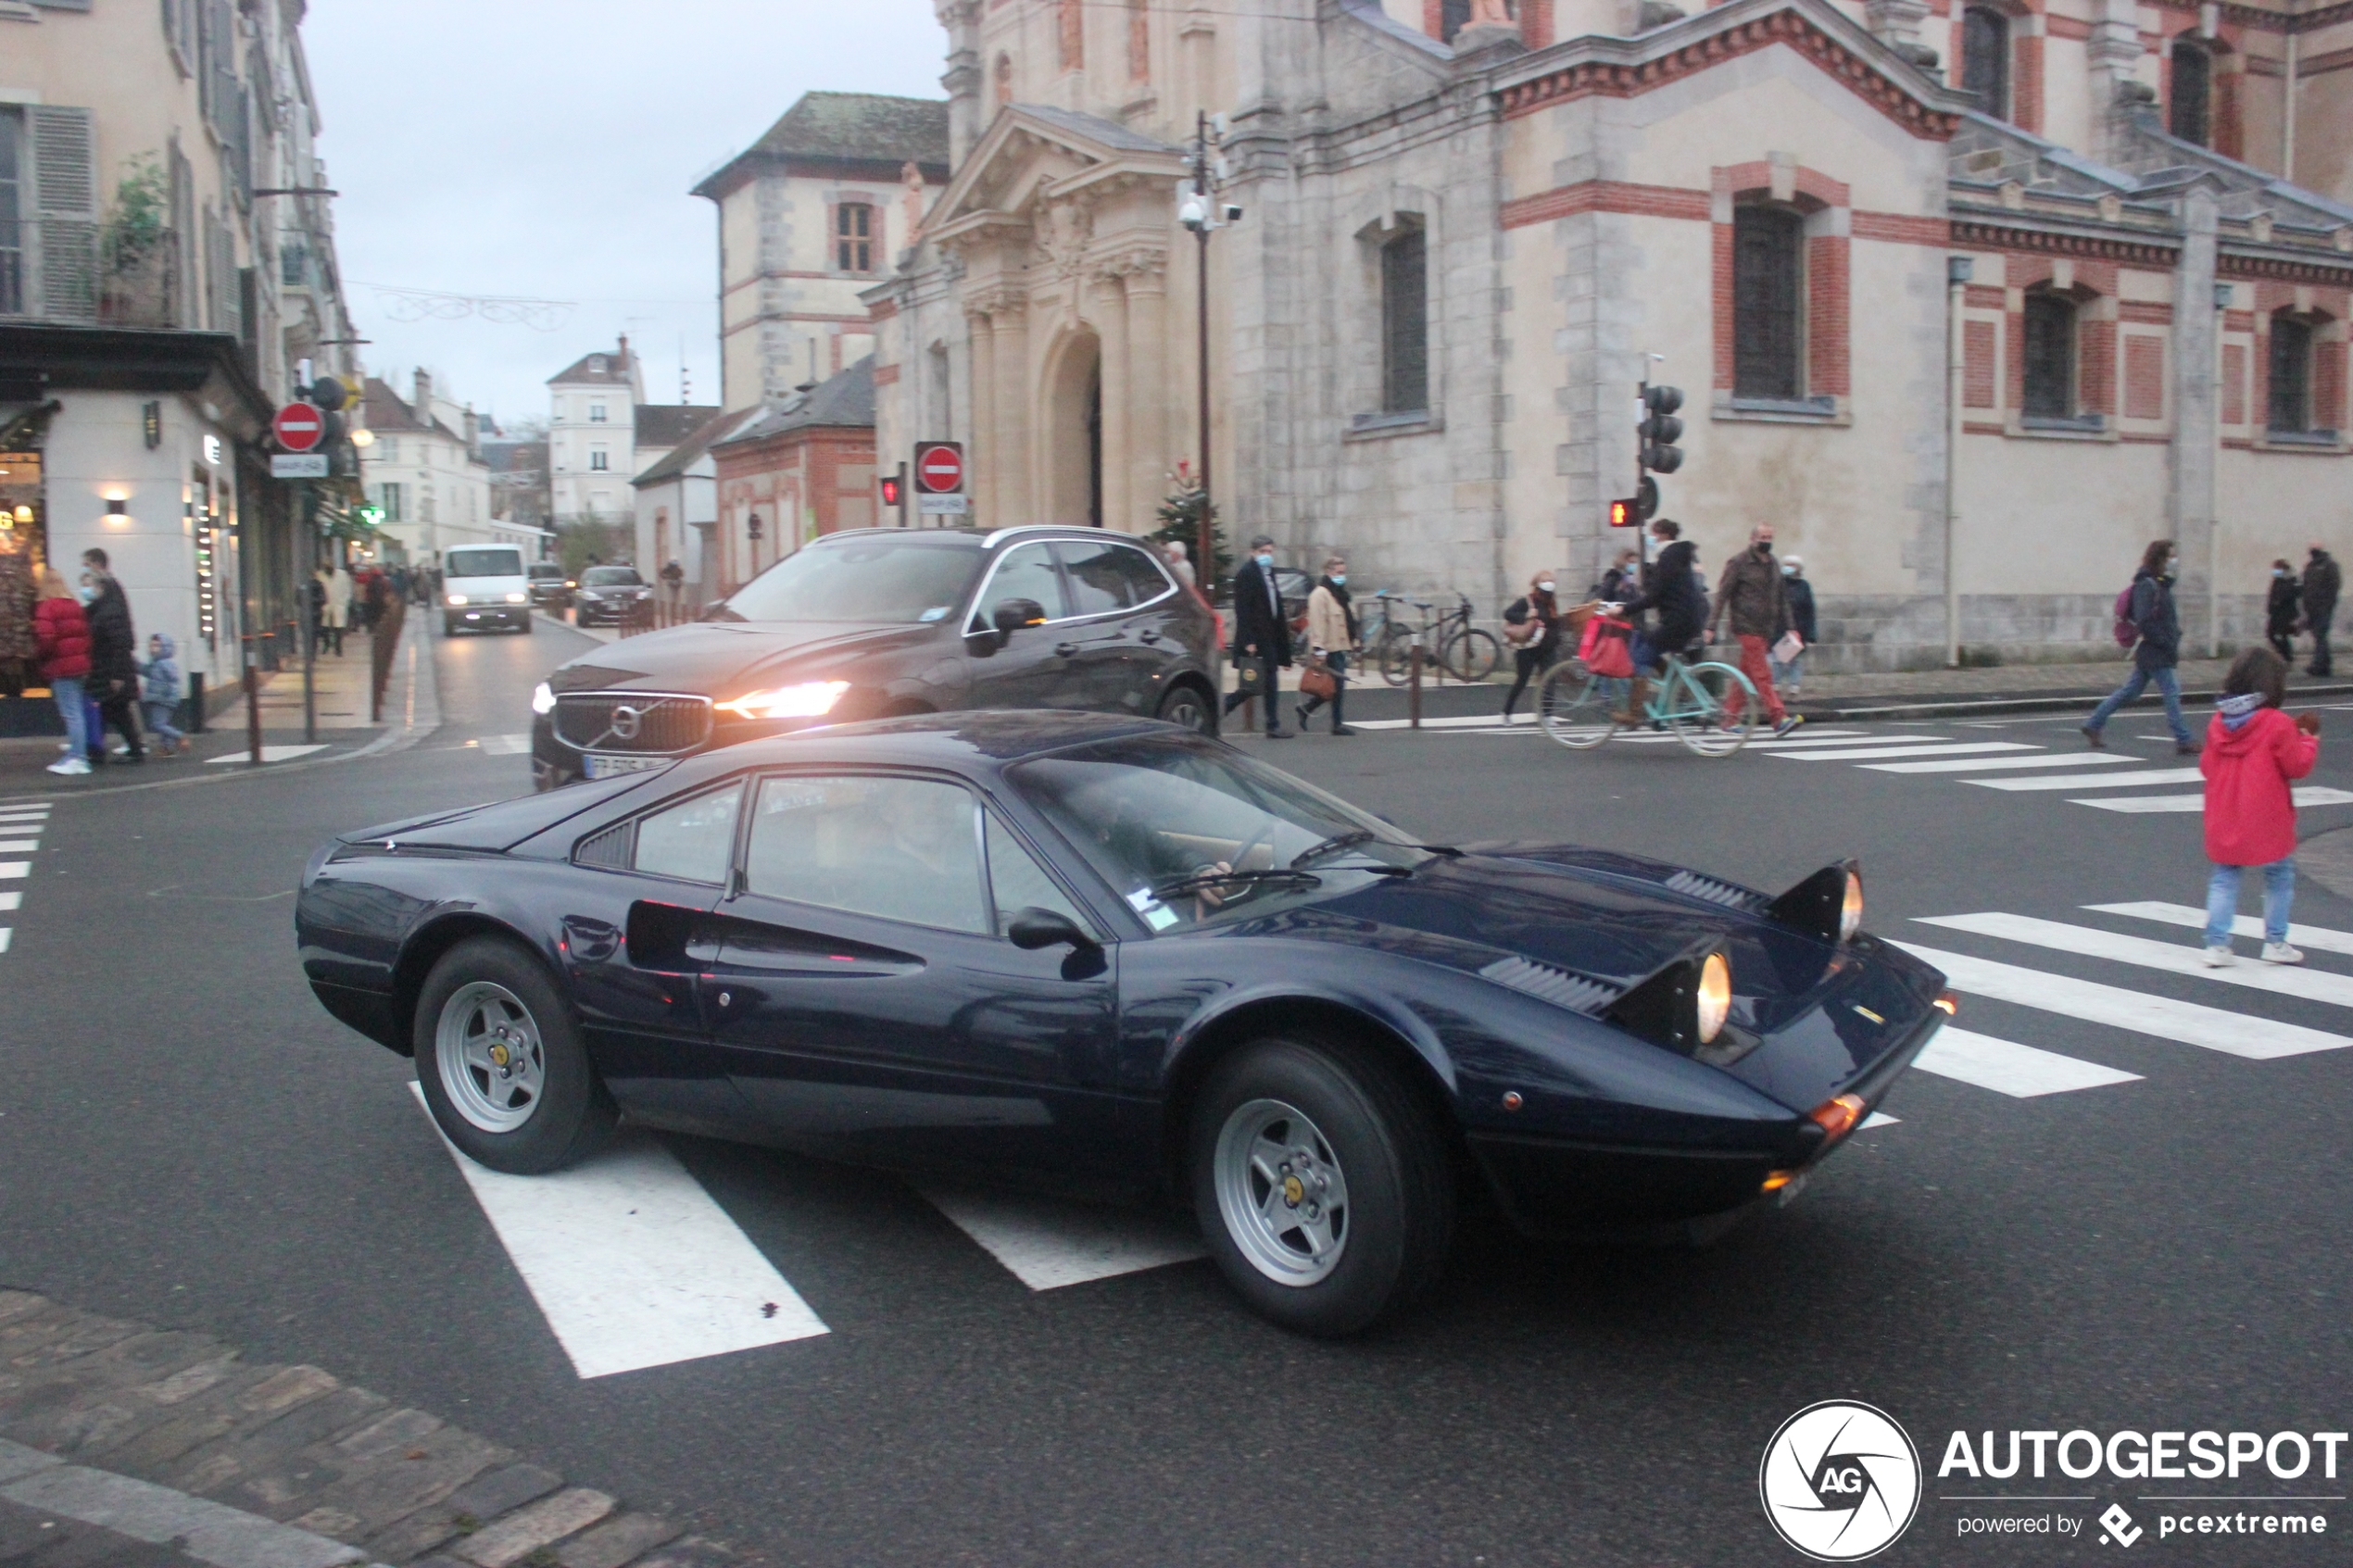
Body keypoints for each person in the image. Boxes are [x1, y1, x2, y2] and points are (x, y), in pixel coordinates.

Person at [2199, 646, 2319, 967]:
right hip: (2267, 814)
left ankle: (2217, 945)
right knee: (2279, 875)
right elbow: (2296, 766)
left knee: (2225, 876)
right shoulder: (2278, 724)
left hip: (2225, 811)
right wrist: (2307, 740)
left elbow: (2207, 767)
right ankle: (2275, 941)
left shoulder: (2218, 723)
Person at [2082, 538, 2196, 755]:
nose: (2175, 560)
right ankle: (2183, 739)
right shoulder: (2147, 585)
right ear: (2160, 558)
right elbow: (2144, 620)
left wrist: (2173, 633)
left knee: (2129, 692)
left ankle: (2094, 724)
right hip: (2156, 651)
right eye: (2171, 556)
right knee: (2172, 693)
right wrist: (2164, 640)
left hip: (2154, 650)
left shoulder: (2160, 582)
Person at [1709, 525, 1803, 736]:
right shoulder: (1739, 562)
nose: (1766, 541)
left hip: (1765, 628)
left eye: (1770, 537)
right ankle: (1778, 718)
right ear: (1752, 539)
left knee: (1747, 674)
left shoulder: (1773, 564)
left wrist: (1791, 628)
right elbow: (1722, 594)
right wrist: (1711, 625)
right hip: (1745, 624)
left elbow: (1782, 598)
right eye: (1763, 537)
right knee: (1763, 673)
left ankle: (1729, 718)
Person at [1615, 519, 1705, 723]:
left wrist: (1624, 609)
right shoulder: (1677, 555)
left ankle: (1634, 714)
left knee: (1641, 658)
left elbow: (1654, 596)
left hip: (1677, 621)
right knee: (1655, 655)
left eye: (1654, 535)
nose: (1652, 539)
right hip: (1687, 619)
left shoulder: (1668, 557)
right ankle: (1682, 698)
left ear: (1663, 535)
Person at [1221, 533, 1292, 738]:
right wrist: (1248, 640)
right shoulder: (1247, 573)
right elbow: (1242, 610)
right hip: (1256, 638)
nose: (1267, 555)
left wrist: (1284, 651)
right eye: (1263, 552)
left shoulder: (1269, 573)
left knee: (1267, 681)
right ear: (1253, 553)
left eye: (1270, 551)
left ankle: (1272, 723)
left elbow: (1275, 609)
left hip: (1269, 637)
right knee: (1252, 684)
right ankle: (1224, 708)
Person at [80, 548, 143, 764]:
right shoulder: (108, 603)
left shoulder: (109, 607)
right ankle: (127, 749)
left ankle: (98, 750)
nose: (86, 589)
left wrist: (117, 675)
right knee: (113, 710)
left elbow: (120, 641)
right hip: (107, 668)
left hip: (109, 669)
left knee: (111, 709)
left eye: (87, 565)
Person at [33, 567, 92, 777]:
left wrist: (41, 657)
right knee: (77, 713)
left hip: (60, 666)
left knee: (71, 714)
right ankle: (78, 755)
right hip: (79, 666)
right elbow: (86, 636)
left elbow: (45, 638)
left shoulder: (46, 608)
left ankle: (78, 759)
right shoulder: (75, 605)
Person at [1296, 554, 1359, 735]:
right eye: (1339, 572)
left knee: (1334, 685)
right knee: (1335, 685)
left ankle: (1307, 709)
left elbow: (1348, 619)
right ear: (1328, 572)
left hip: (1339, 645)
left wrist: (1354, 641)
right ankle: (1336, 723)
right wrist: (1318, 648)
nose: (1342, 576)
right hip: (1328, 647)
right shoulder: (1320, 594)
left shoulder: (1340, 593)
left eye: (1343, 572)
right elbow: (1317, 622)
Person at [1499, 570, 1563, 723]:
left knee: (1549, 679)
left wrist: (1555, 637)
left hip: (1547, 647)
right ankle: (1507, 712)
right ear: (1537, 586)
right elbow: (1508, 614)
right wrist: (1526, 616)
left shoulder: (1552, 603)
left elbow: (1554, 623)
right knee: (1522, 680)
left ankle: (1547, 715)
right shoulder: (1527, 601)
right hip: (1527, 648)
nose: (1548, 591)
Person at [1774, 554, 1818, 700]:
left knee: (1796, 660)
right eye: (1787, 564)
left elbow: (1810, 610)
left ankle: (1794, 687)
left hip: (1799, 629)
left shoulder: (1804, 586)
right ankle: (1776, 686)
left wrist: (1811, 634)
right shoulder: (1779, 584)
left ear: (1799, 568)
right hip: (1779, 628)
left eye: (1792, 565)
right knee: (1778, 658)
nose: (1788, 568)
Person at [141, 633, 185, 756]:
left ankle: (179, 736)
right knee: (163, 723)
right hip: (162, 698)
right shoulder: (156, 663)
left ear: (165, 648)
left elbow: (173, 679)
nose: (152, 648)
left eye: (156, 645)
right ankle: (168, 748)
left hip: (162, 699)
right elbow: (147, 671)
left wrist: (166, 692)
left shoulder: (164, 663)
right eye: (151, 645)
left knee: (158, 724)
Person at [2304, 545, 2339, 678]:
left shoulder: (2329, 565)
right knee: (2319, 636)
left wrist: (2327, 604)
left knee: (2320, 635)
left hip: (2323, 608)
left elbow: (2334, 586)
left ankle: (2317, 665)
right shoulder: (2310, 566)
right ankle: (2326, 664)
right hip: (2312, 608)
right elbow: (2306, 587)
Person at [2264, 559, 2302, 665]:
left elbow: (2295, 592)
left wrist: (2280, 600)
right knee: (2271, 634)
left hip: (2286, 613)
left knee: (2282, 635)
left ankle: (2287, 657)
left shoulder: (2292, 579)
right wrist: (2270, 608)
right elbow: (2272, 594)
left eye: (2277, 569)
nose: (2275, 571)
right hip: (2275, 613)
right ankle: (2284, 656)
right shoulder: (2277, 580)